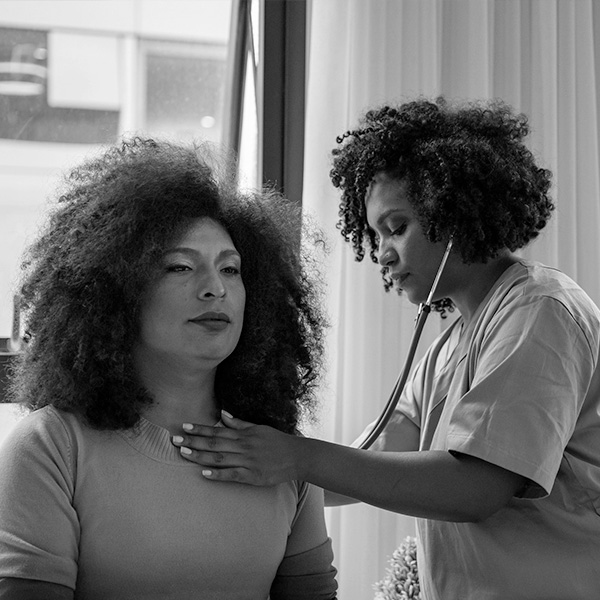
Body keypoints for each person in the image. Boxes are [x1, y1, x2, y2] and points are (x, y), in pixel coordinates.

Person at [171, 98, 600, 599]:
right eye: (375, 234)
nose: (382, 253)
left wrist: (294, 457)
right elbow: (374, 457)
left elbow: (476, 488)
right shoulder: (448, 349)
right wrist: (235, 462)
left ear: (455, 211)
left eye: (397, 228)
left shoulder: (542, 311)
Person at [0, 137, 337, 600]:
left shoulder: (282, 454)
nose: (214, 288)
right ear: (116, 292)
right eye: (180, 267)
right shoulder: (52, 447)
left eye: (232, 269)